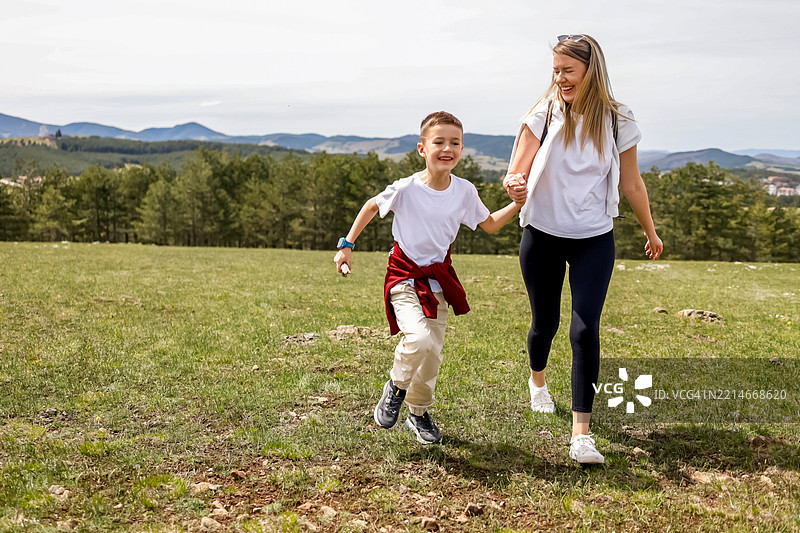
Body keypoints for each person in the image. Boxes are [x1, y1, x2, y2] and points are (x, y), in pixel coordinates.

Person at [503, 34, 663, 464]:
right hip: (543, 234)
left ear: (591, 71)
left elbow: (631, 182)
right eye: (555, 71)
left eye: (567, 71)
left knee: (585, 329)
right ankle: (538, 382)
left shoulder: (617, 119)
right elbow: (516, 169)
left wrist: (651, 231)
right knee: (545, 323)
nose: (559, 79)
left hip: (594, 237)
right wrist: (515, 184)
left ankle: (581, 434)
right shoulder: (543, 112)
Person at [334, 111, 525, 444]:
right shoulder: (406, 188)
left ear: (462, 150)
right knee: (419, 339)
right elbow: (370, 206)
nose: (447, 148)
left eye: (455, 143)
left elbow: (490, 224)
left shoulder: (464, 191)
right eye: (439, 142)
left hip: (438, 281)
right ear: (422, 148)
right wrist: (347, 245)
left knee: (432, 355)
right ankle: (395, 387)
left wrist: (518, 204)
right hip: (404, 277)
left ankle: (418, 413)